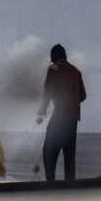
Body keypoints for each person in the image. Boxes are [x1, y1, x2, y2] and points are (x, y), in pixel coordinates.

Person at [35, 44, 86, 181]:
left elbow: (47, 92)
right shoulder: (76, 71)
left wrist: (42, 111)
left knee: (48, 151)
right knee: (69, 154)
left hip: (60, 117)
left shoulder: (54, 68)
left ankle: (51, 185)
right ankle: (70, 185)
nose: (51, 60)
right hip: (73, 119)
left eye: (52, 57)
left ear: (55, 56)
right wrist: (71, 101)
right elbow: (83, 96)